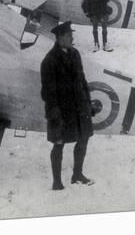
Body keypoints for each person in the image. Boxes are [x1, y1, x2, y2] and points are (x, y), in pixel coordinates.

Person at [40, 21, 95, 190]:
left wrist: (88, 101)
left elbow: (82, 80)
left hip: (80, 107)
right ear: (60, 38)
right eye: (69, 35)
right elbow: (47, 91)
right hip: (62, 111)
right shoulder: (49, 60)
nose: (72, 37)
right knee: (59, 144)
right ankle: (57, 181)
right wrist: (54, 111)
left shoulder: (75, 54)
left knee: (83, 140)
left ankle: (77, 174)